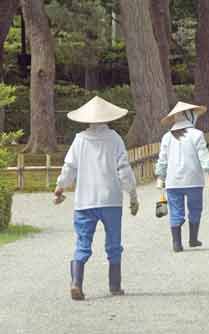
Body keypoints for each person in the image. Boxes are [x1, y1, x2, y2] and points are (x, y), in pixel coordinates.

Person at [54, 96, 139, 301]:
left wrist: (59, 188)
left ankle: (76, 283)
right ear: (109, 118)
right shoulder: (115, 138)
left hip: (85, 200)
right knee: (113, 244)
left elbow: (69, 168)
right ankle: (115, 286)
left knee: (83, 243)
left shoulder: (80, 139)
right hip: (111, 199)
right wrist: (133, 196)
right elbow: (124, 170)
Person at [155, 102, 209, 253]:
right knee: (195, 209)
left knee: (176, 211)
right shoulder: (197, 134)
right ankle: (193, 239)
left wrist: (160, 176)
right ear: (190, 116)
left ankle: (177, 243)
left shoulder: (167, 137)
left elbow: (162, 160)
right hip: (194, 180)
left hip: (173, 182)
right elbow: (203, 155)